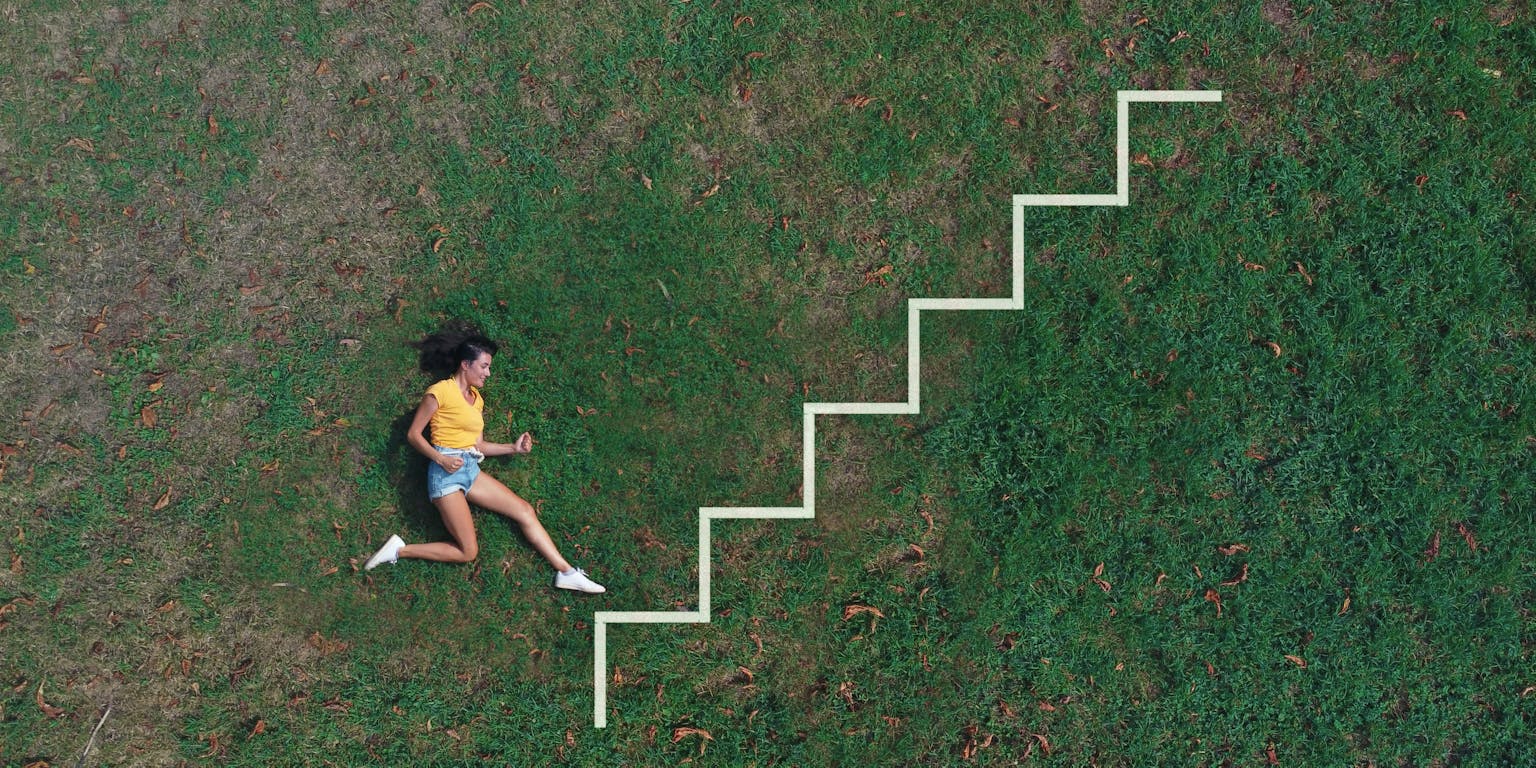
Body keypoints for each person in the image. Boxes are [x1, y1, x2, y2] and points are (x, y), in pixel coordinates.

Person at [364, 322, 606, 593]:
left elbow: (478, 444)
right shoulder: (440, 391)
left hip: (469, 468)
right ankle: (400, 550)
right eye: (485, 366)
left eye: (489, 367)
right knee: (468, 552)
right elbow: (413, 435)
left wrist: (513, 449)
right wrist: (440, 459)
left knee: (524, 510)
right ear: (466, 365)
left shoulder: (477, 400)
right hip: (445, 474)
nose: (488, 373)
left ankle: (566, 572)